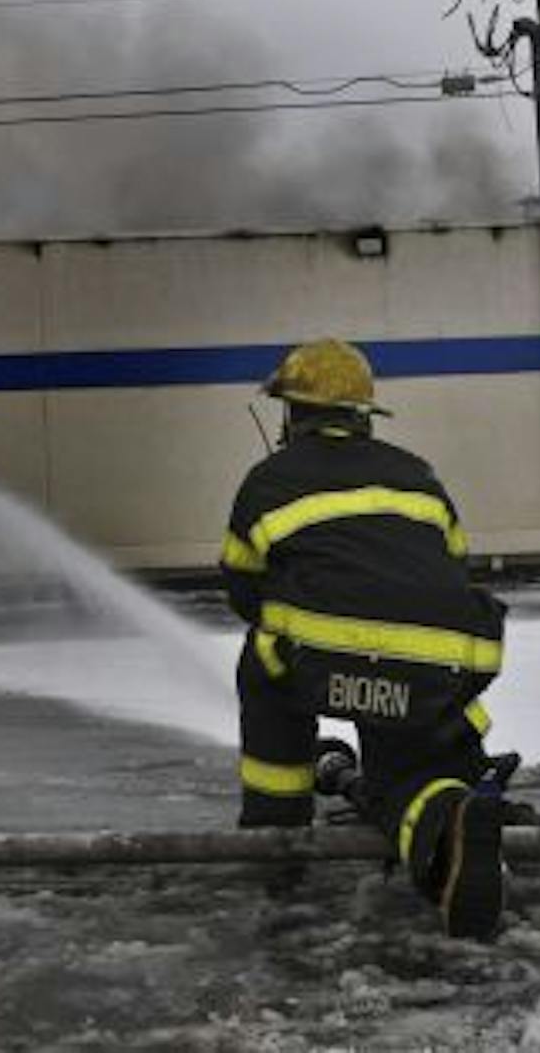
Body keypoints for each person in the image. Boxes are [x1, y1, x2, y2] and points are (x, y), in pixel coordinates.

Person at [219, 338, 514, 940]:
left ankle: (277, 836)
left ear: (293, 413)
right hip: (445, 662)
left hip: (329, 663)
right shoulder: (418, 475)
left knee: (264, 657)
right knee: (408, 772)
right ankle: (447, 815)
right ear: (364, 416)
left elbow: (244, 588)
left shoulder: (267, 481)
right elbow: (453, 567)